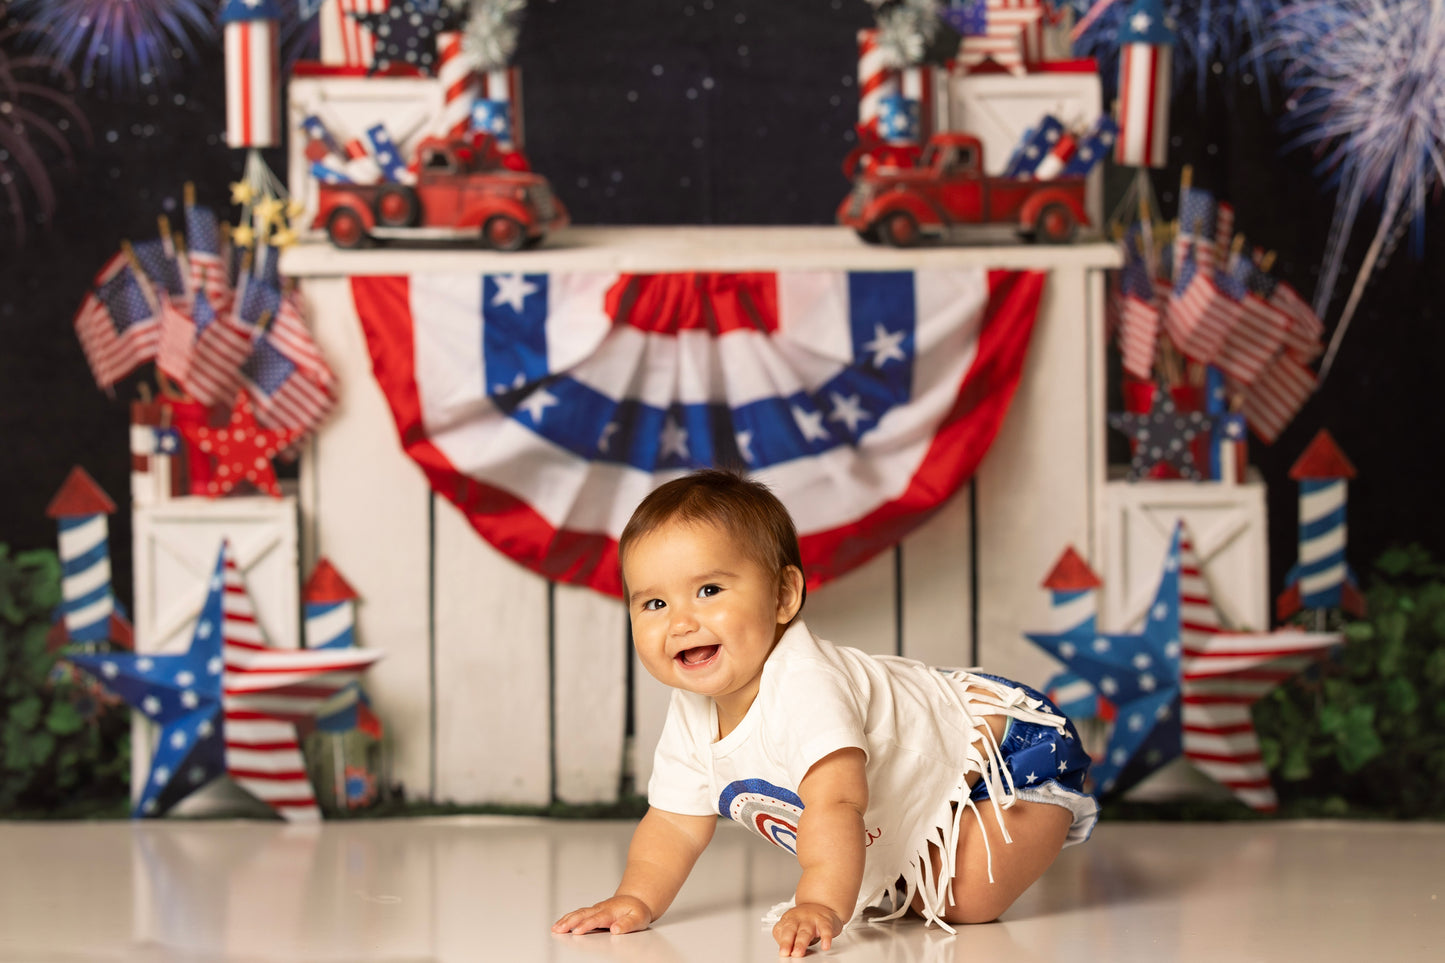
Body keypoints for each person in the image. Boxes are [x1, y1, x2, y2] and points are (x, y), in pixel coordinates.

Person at [552, 468, 1096, 957]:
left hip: (1006, 752)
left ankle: (1040, 816)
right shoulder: (692, 710)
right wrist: (634, 899)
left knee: (965, 901)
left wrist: (821, 903)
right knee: (904, 884)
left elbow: (835, 803)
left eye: (709, 590)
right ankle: (933, 843)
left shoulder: (805, 683)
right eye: (654, 603)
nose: (679, 622)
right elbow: (674, 822)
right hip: (948, 765)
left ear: (785, 596)